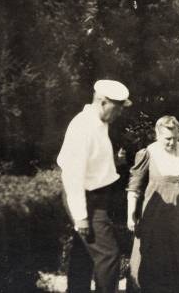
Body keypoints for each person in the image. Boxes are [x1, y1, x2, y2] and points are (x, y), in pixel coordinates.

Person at [57, 79, 132, 293]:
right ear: (101, 101)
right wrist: (80, 216)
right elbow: (72, 175)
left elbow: (92, 162)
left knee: (85, 253)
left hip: (96, 196)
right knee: (109, 255)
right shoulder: (83, 127)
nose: (119, 113)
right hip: (86, 199)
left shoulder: (100, 123)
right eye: (116, 108)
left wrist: (113, 164)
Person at [127, 116, 179, 293]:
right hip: (155, 220)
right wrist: (131, 214)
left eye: (176, 138)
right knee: (154, 263)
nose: (172, 142)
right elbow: (134, 188)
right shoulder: (148, 153)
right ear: (157, 135)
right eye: (168, 139)